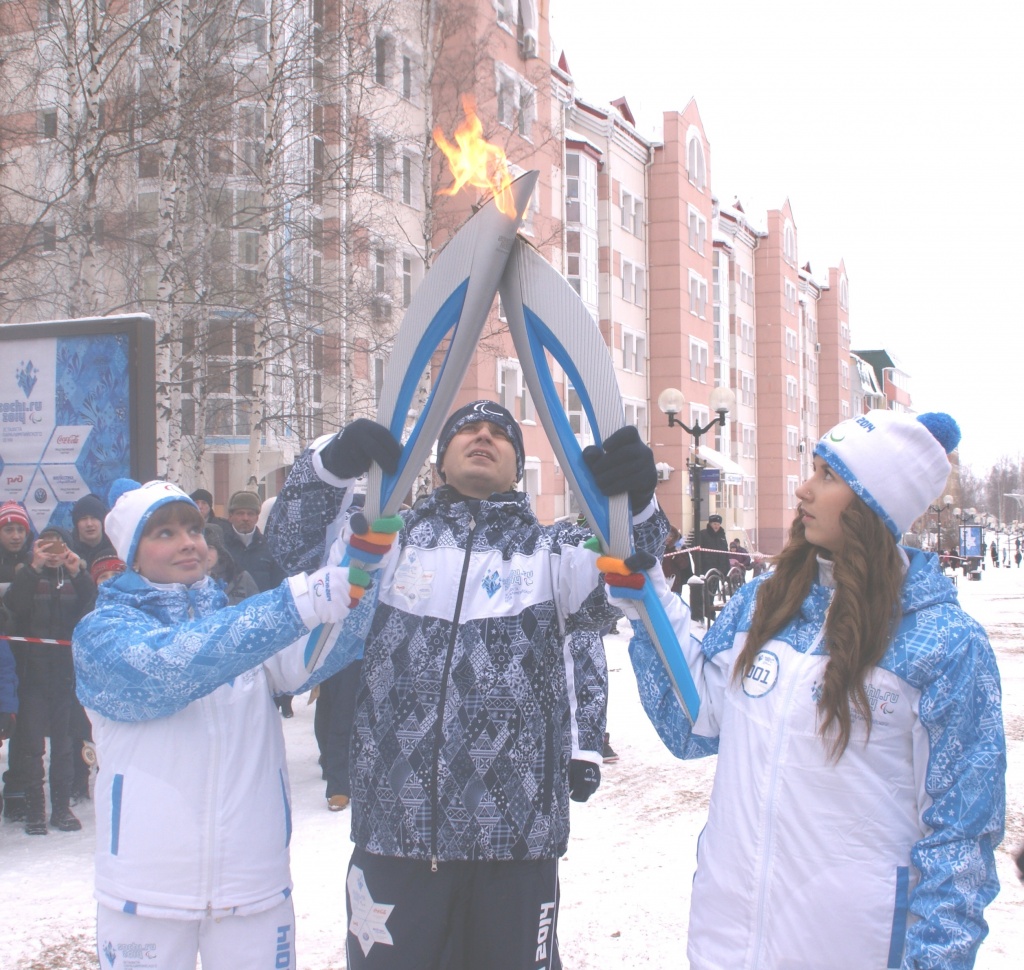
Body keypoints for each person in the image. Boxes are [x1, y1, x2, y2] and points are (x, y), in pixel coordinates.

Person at [266, 401, 665, 970]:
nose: (484, 436)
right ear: (440, 463)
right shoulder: (387, 546)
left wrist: (638, 506)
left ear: (517, 464)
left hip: (516, 842)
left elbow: (639, 581)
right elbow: (293, 554)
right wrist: (329, 469)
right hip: (395, 834)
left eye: (500, 433)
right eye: (468, 431)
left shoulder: (555, 556)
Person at [619, 410, 1006, 970]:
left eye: (827, 476)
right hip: (724, 945)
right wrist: (646, 589)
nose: (803, 487)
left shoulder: (943, 644)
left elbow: (961, 842)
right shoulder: (764, 604)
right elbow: (694, 722)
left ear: (875, 504)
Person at [72, 478, 361, 970]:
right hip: (146, 893)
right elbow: (172, 666)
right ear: (131, 557)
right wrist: (299, 601)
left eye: (193, 528)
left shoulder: (239, 625)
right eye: (163, 533)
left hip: (253, 885)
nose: (187, 541)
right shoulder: (101, 637)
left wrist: (365, 568)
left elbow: (324, 646)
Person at [3, 524, 95, 833]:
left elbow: (92, 609)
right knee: (31, 746)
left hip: (65, 677)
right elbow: (13, 605)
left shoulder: (75, 578)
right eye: (46, 547)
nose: (53, 553)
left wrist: (78, 573)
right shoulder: (28, 575)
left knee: (64, 744)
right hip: (32, 676)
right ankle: (35, 810)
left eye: (59, 547)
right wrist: (33, 568)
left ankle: (62, 808)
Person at [0, 501, 31, 819]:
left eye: (19, 529)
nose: (14, 535)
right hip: (2, 655)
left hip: (27, 655)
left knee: (22, 729)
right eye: (8, 529)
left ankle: (17, 789)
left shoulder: (34, 562)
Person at [204, 523, 260, 604]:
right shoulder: (189, 582)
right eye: (202, 548)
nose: (205, 553)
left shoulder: (241, 577)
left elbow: (257, 608)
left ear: (219, 551)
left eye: (210, 548)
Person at [70, 493, 116, 568]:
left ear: (102, 521)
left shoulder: (116, 548)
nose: (89, 524)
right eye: (83, 518)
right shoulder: (69, 551)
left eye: (94, 518)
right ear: (76, 523)